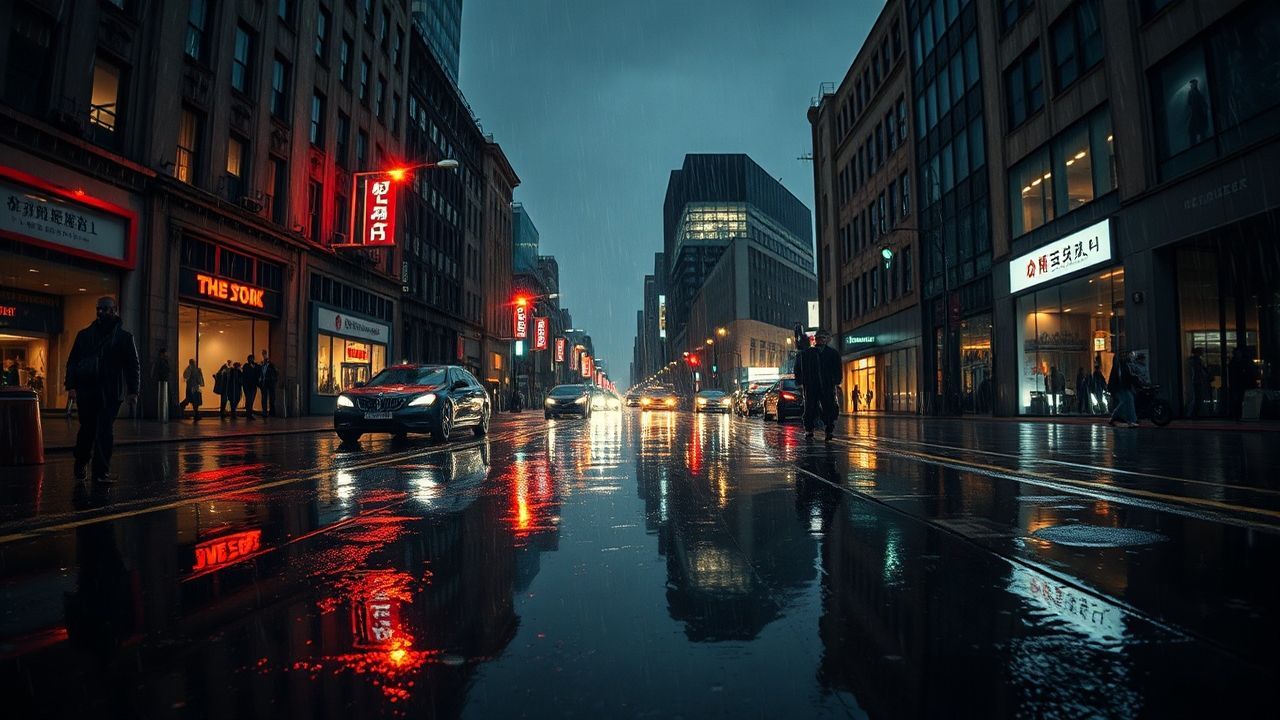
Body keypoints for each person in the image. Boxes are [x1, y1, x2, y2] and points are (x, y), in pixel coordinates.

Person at [64, 296, 139, 482]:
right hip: (88, 390)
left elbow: (132, 365)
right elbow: (72, 362)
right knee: (87, 430)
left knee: (104, 431)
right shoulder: (84, 335)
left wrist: (133, 391)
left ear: (114, 310)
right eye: (99, 309)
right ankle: (81, 463)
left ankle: (100, 472)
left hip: (111, 392)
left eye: (105, 309)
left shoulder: (124, 338)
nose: (101, 312)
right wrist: (71, 386)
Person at [795, 328, 841, 441]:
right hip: (811, 385)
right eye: (819, 338)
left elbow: (837, 369)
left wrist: (836, 381)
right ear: (815, 339)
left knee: (828, 407)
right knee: (810, 407)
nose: (821, 340)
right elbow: (799, 368)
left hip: (827, 385)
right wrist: (800, 382)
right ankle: (809, 429)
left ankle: (829, 429)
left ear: (827, 339)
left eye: (823, 338)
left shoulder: (832, 353)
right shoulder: (807, 353)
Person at [1108, 351, 1140, 428]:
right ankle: (1128, 419)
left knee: (1128, 401)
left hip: (1123, 387)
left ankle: (1131, 419)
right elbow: (1119, 378)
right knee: (1126, 401)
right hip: (1121, 387)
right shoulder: (1119, 366)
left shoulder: (1122, 366)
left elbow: (1125, 377)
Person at [1184, 347, 1209, 418]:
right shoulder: (1196, 361)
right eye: (1201, 351)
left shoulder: (1193, 361)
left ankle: (1194, 413)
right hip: (1197, 381)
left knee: (1196, 398)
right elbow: (1198, 372)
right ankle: (1194, 413)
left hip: (1196, 381)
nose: (1203, 353)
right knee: (1197, 398)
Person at [241, 354, 261, 420]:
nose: (251, 360)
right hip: (247, 386)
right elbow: (245, 375)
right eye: (250, 359)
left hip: (253, 385)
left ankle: (249, 413)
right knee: (249, 399)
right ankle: (248, 414)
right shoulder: (246, 366)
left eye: (252, 359)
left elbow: (258, 372)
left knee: (251, 400)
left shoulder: (255, 366)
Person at [260, 350, 278, 417]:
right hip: (264, 383)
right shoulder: (262, 366)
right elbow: (261, 374)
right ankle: (264, 412)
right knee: (264, 398)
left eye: (265, 354)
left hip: (270, 383)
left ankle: (272, 412)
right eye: (263, 354)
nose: (264, 356)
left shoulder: (271, 365)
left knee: (272, 398)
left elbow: (276, 373)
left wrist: (274, 381)